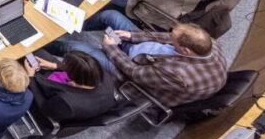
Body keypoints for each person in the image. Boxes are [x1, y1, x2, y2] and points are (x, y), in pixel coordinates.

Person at [95, 23, 226, 107]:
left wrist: (111, 48)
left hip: (133, 75)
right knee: (110, 15)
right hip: (146, 54)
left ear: (186, 51)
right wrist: (131, 36)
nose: (170, 39)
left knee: (79, 47)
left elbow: (134, 72)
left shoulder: (177, 74)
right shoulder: (208, 44)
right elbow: (169, 37)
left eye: (174, 41)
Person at [28, 50, 118, 124]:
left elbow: (44, 108)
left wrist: (30, 77)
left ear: (72, 79)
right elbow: (83, 70)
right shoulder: (101, 74)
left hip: (49, 109)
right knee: (38, 53)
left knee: (19, 73)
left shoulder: (66, 103)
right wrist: (55, 66)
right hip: (68, 96)